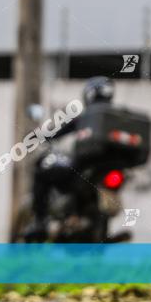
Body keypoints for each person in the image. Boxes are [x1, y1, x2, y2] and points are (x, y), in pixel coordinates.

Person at [25, 76, 115, 241]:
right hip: (107, 171)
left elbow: (57, 132)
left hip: (79, 171)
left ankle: (40, 222)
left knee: (42, 172)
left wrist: (38, 136)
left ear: (89, 96)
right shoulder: (118, 118)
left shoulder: (87, 117)